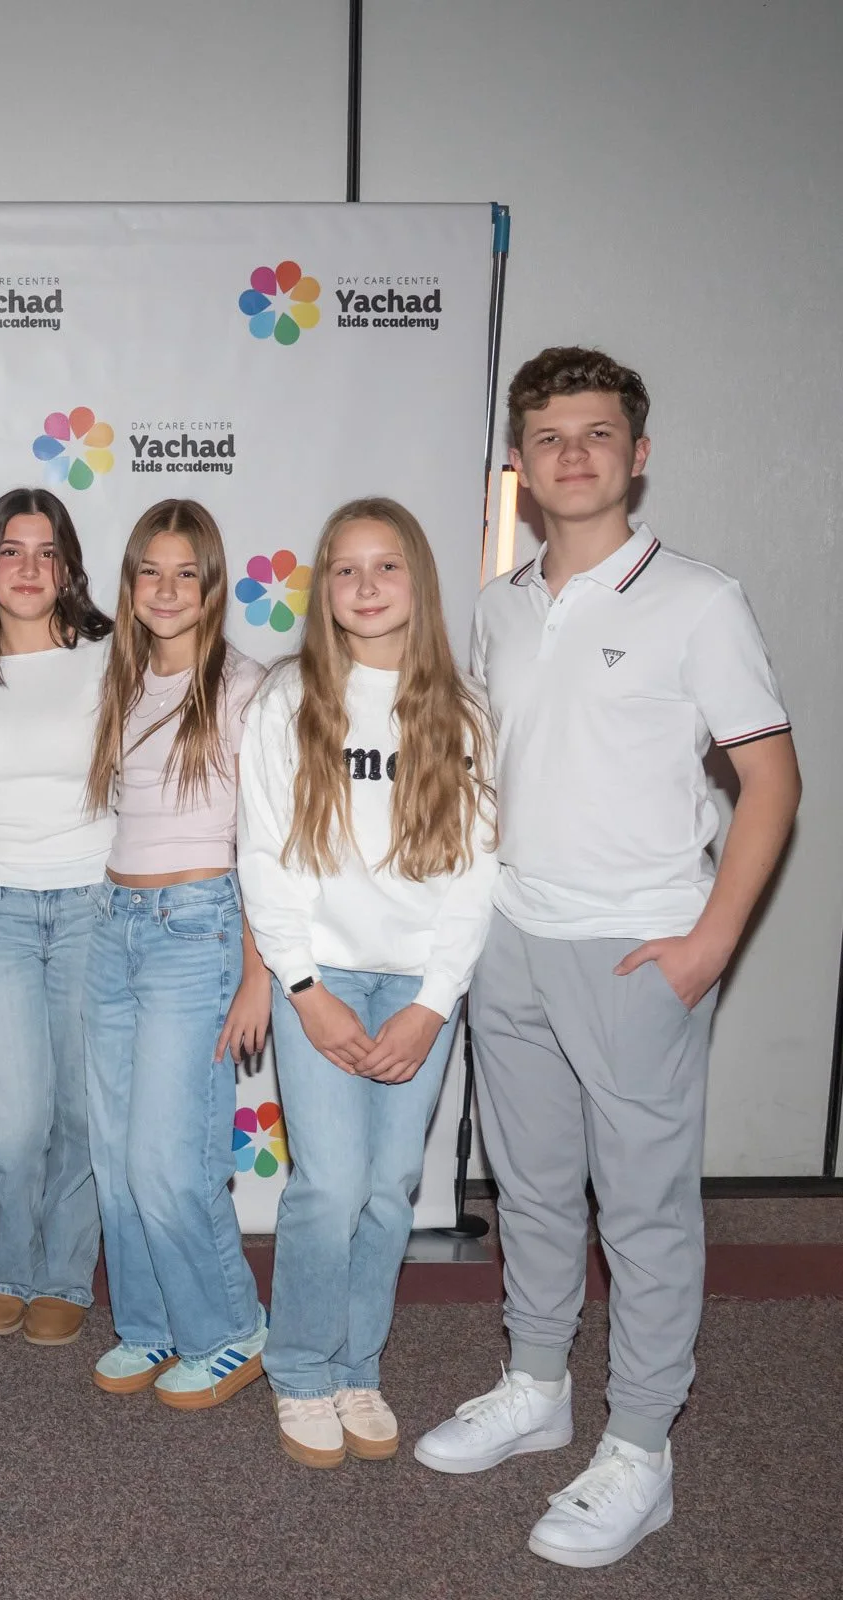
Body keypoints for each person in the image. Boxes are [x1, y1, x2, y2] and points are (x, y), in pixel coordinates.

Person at [415, 349, 799, 1569]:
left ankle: (640, 1447)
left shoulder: (698, 599)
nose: (569, 454)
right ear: (518, 467)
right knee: (529, 1188)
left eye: (593, 434)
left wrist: (706, 946)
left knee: (639, 1212)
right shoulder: (497, 605)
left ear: (636, 454)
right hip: (513, 938)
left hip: (638, 951)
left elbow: (770, 783)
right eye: (546, 436)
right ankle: (536, 1385)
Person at [239, 498, 498, 1469]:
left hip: (419, 989)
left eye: (385, 566)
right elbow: (262, 855)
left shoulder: (463, 710)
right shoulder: (288, 699)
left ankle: (357, 1364)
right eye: (344, 569)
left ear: (417, 579)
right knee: (329, 1183)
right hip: (321, 977)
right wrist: (305, 989)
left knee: (389, 1186)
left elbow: (476, 870)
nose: (364, 585)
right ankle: (301, 1368)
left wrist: (434, 1001)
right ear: (324, 590)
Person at [80, 498, 272, 1409]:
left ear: (213, 586)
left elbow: (270, 845)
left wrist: (258, 974)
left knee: (169, 1157)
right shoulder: (121, 682)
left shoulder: (246, 688)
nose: (165, 590)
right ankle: (151, 1323)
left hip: (197, 931)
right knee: (116, 1153)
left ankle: (229, 1327)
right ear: (129, 586)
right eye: (149, 573)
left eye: (184, 573)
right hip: (113, 921)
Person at [0, 488, 114, 1345]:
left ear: (70, 568)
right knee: (6, 1124)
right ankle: (7, 1260)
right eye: (12, 550)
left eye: (48, 552)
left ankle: (66, 1272)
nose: (30, 568)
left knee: (82, 1111)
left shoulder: (115, 659)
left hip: (94, 903)